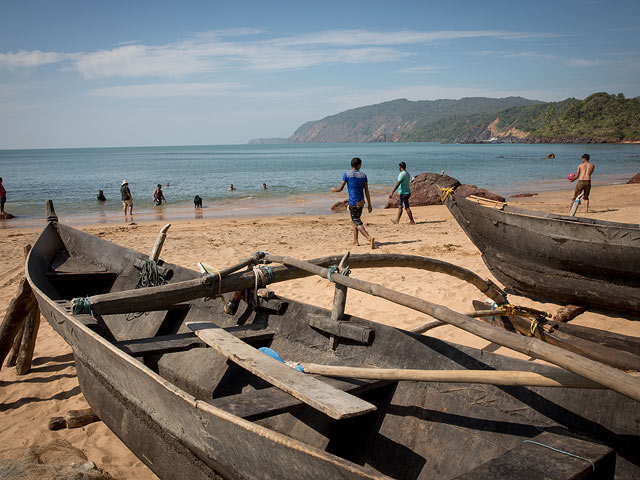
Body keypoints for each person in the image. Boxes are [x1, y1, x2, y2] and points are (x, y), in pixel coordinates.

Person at [331, 157, 376, 249]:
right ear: (359, 165)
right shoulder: (363, 175)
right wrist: (369, 204)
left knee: (357, 222)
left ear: (351, 165)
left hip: (353, 202)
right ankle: (355, 241)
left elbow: (340, 189)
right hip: (361, 202)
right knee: (356, 220)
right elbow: (366, 190)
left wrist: (333, 190)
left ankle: (369, 238)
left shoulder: (347, 174)